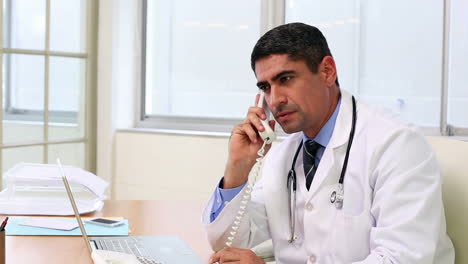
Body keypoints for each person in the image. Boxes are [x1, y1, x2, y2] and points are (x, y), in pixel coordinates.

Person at [202, 23, 454, 264]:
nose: (275, 100)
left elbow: (401, 258)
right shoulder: (283, 155)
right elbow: (230, 242)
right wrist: (238, 167)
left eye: (286, 79)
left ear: (327, 71)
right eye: (265, 87)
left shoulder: (396, 145)